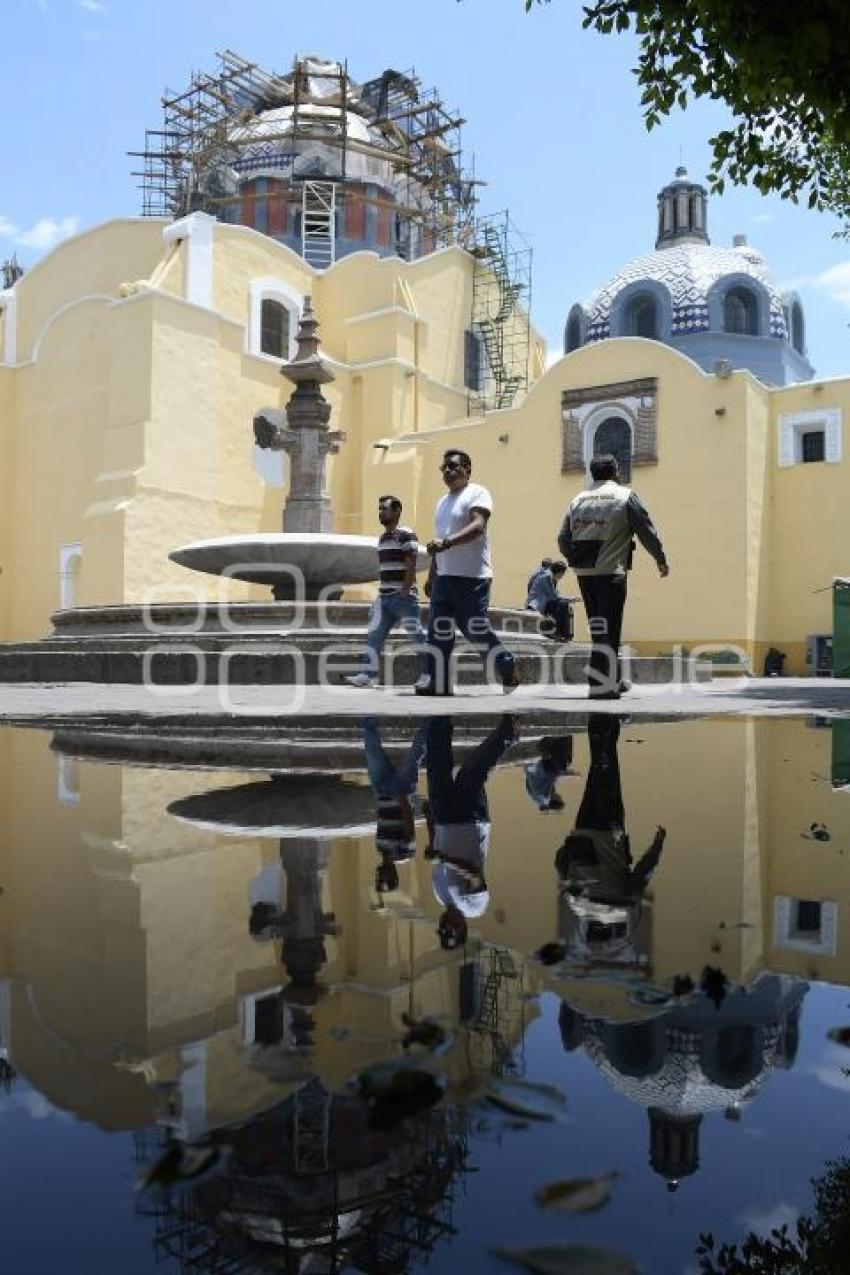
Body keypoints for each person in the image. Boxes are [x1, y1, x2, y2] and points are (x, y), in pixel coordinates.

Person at [555, 715, 666, 967]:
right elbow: (560, 863)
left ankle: (603, 725)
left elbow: (643, 872)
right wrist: (570, 842)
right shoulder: (576, 905)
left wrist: (658, 845)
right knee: (596, 776)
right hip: (582, 829)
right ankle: (603, 725)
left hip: (611, 830)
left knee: (607, 771)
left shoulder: (625, 905)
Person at [558, 453, 669, 700]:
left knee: (599, 628)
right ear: (616, 471)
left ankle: (613, 679)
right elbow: (646, 531)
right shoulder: (625, 496)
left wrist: (574, 559)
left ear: (592, 473)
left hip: (585, 573)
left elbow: (563, 539)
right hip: (612, 573)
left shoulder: (577, 500)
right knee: (610, 628)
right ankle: (601, 684)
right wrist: (660, 558)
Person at [419, 449, 519, 696]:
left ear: (468, 470)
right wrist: (433, 574)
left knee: (474, 628)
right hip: (444, 577)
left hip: (472, 577)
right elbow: (440, 541)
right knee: (438, 632)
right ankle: (438, 683)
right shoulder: (442, 502)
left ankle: (507, 665)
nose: (449, 472)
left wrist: (447, 543)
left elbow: (478, 527)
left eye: (454, 467)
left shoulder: (478, 492)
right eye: (445, 469)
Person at [424, 714, 516, 948]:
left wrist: (429, 821)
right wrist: (444, 859)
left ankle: (438, 716)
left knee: (435, 764)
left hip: (444, 818)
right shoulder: (475, 907)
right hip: (470, 822)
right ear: (462, 928)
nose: (444, 925)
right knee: (473, 771)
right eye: (450, 930)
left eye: (442, 929)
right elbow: (474, 875)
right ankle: (508, 731)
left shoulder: (440, 896)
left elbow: (437, 850)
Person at [346, 494, 426, 689]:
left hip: (403, 598)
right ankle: (367, 675)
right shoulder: (383, 538)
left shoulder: (406, 534)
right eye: (379, 509)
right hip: (384, 598)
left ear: (397, 511)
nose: (381, 512)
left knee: (417, 638)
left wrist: (405, 592)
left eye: (385, 509)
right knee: (374, 636)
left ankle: (429, 673)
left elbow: (411, 565)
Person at [361, 716, 426, 894]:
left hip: (381, 790)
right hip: (400, 791)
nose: (379, 875)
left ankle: (368, 712)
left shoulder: (380, 848)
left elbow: (383, 820)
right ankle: (431, 719)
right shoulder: (405, 854)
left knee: (371, 749)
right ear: (393, 876)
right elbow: (409, 825)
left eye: (377, 879)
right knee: (416, 752)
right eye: (383, 879)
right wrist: (403, 798)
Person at [525, 558, 574, 642]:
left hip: (545, 602)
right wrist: (570, 599)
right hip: (538, 604)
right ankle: (560, 633)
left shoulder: (547, 576)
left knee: (567, 608)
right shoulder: (546, 576)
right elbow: (553, 595)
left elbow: (554, 593)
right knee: (563, 605)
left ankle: (566, 634)